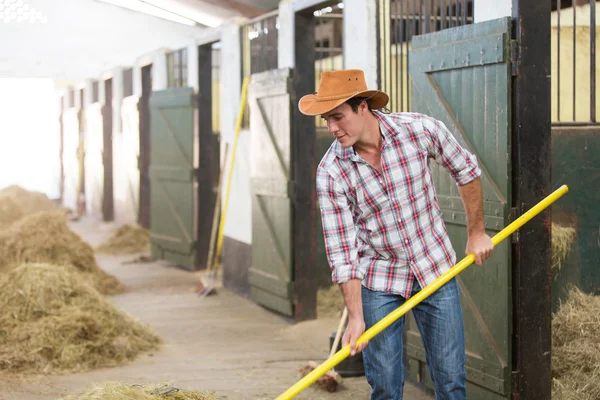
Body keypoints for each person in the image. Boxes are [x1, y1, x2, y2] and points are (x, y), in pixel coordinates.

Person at [298, 69, 494, 400]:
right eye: (326, 120)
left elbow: (466, 169)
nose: (331, 128)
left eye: (337, 117)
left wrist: (477, 233)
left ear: (363, 108)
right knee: (386, 385)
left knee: (450, 380)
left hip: (435, 267)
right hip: (380, 278)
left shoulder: (418, 129)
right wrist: (356, 316)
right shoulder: (331, 172)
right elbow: (342, 252)